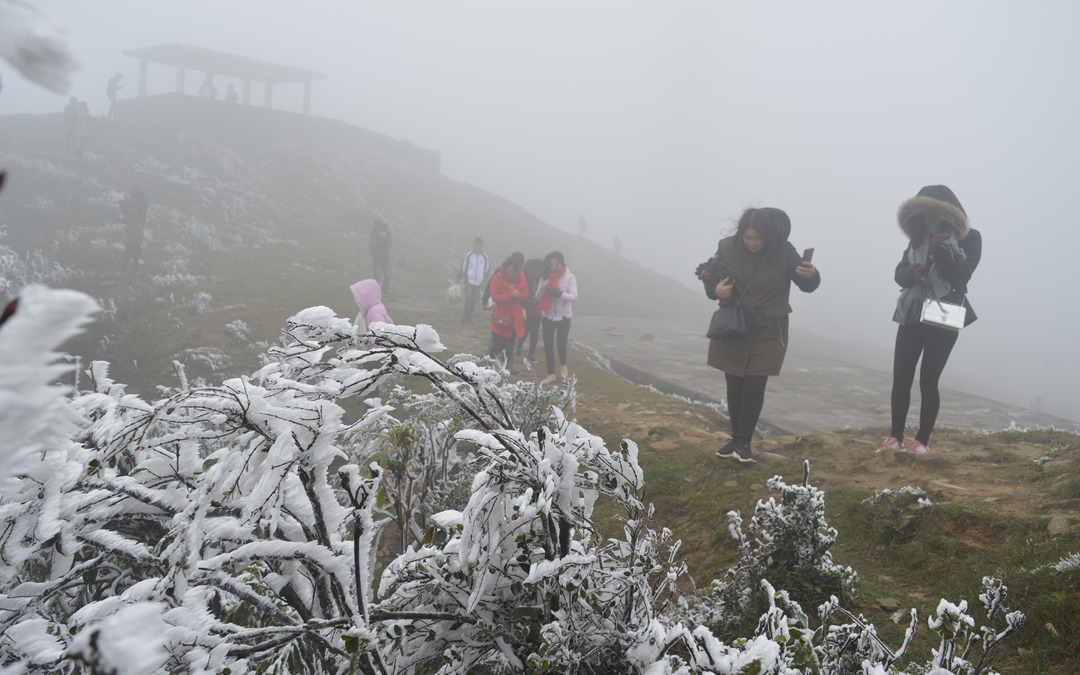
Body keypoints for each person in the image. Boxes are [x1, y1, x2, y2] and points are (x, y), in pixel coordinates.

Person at [697, 207, 820, 464]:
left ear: (768, 235)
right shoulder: (727, 247)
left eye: (758, 238)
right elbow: (711, 279)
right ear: (741, 234)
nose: (752, 243)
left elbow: (806, 284)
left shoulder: (784, 251)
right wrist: (716, 290)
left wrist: (812, 275)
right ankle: (734, 439)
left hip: (767, 328)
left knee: (754, 383)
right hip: (734, 323)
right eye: (747, 237)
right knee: (734, 381)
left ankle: (744, 442)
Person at [879, 185, 981, 455]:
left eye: (936, 213)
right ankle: (895, 438)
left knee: (928, 380)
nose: (930, 218)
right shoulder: (916, 237)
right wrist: (913, 273)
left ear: (949, 214)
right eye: (925, 213)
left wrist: (943, 252)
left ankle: (921, 441)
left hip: (944, 313)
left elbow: (960, 278)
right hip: (912, 312)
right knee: (901, 376)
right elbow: (899, 273)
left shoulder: (970, 239)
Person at [536, 251, 578, 386]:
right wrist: (542, 290)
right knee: (548, 345)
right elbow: (537, 298)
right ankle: (551, 374)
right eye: (551, 264)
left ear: (561, 264)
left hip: (564, 316)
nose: (553, 267)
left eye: (555, 264)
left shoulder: (570, 277)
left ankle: (563, 365)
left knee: (561, 343)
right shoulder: (545, 277)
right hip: (547, 315)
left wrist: (559, 294)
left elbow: (574, 297)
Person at [488, 252, 527, 374]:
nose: (513, 273)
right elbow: (495, 297)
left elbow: (526, 295)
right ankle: (490, 364)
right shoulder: (497, 278)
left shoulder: (521, 278)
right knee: (498, 344)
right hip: (501, 317)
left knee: (510, 345)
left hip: (515, 317)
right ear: (506, 267)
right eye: (511, 270)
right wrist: (511, 295)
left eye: (516, 271)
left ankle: (506, 369)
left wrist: (519, 295)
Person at [518, 257, 544, 364]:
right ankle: (518, 348)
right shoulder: (527, 277)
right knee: (525, 329)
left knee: (535, 332)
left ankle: (531, 354)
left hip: (538, 309)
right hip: (526, 308)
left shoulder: (541, 279)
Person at [458, 237, 490, 323]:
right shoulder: (468, 255)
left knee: (475, 300)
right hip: (468, 281)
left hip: (478, 283)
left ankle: (470, 315)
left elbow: (487, 270)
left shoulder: (485, 257)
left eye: (480, 247)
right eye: (477, 247)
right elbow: (463, 267)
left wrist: (483, 279)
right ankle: (466, 317)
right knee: (468, 298)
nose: (479, 249)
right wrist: (459, 277)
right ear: (474, 246)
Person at [120, 189, 146, 273]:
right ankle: (137, 270)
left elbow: (125, 221)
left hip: (133, 236)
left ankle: (123, 271)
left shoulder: (131, 211)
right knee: (134, 252)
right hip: (135, 235)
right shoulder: (133, 210)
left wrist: (114, 217)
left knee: (128, 252)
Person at [369, 220, 391, 293]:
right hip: (377, 258)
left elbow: (390, 242)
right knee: (377, 276)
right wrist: (381, 244)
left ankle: (384, 291)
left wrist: (387, 244)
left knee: (387, 275)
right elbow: (372, 244)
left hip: (385, 258)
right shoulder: (374, 234)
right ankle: (375, 291)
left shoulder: (387, 233)